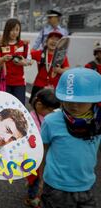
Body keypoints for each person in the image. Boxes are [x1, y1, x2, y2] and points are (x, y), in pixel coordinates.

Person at [40, 67, 101, 208]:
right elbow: (42, 151)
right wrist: (41, 178)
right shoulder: (51, 121)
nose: (74, 105)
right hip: (56, 186)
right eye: (68, 99)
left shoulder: (98, 122)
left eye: (81, 101)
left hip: (86, 184)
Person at [24, 89, 60, 208]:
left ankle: (38, 194)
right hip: (34, 155)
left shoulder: (51, 116)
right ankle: (32, 197)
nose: (51, 112)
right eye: (49, 110)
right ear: (39, 105)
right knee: (35, 178)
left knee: (44, 178)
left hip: (46, 155)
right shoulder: (31, 118)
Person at [0, 18, 32, 105]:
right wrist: (3, 59)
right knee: (5, 106)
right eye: (11, 30)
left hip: (19, 82)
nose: (14, 32)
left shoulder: (24, 45)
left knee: (19, 106)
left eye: (17, 29)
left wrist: (24, 62)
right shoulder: (0, 46)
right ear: (7, 30)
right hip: (4, 81)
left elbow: (30, 61)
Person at [29, 31, 70, 103]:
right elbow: (27, 55)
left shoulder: (62, 57)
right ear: (46, 41)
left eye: (57, 40)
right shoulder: (39, 53)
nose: (54, 41)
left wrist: (59, 70)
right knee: (35, 105)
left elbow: (67, 70)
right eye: (52, 38)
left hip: (55, 87)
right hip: (39, 85)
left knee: (52, 108)